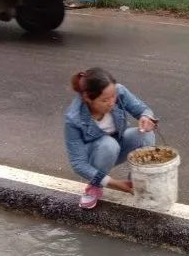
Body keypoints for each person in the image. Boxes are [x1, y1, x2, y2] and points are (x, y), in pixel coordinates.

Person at [65, 67, 157, 209]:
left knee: (145, 134)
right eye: (105, 100)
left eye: (113, 96)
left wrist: (146, 117)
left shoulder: (118, 91)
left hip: (119, 144)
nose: (112, 102)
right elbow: (78, 164)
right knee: (108, 144)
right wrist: (114, 183)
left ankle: (137, 181)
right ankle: (94, 187)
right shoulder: (73, 119)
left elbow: (143, 110)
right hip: (96, 157)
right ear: (88, 98)